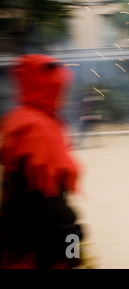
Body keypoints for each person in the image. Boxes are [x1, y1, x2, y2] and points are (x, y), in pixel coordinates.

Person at [0, 54, 84, 269]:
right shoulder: (40, 129)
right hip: (44, 250)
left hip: (17, 243)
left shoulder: (18, 119)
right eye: (59, 88)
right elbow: (51, 205)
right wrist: (73, 249)